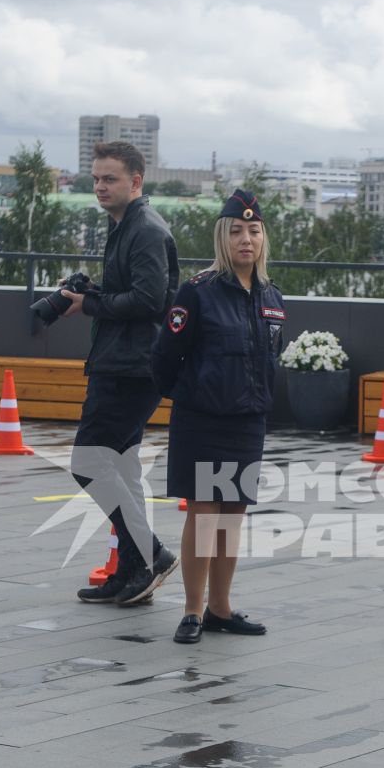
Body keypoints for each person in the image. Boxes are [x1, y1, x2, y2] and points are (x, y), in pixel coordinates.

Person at [152, 189, 282, 646]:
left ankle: (221, 609)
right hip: (203, 419)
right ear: (221, 239)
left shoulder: (270, 295)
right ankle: (192, 610)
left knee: (232, 517)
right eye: (235, 231)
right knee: (205, 516)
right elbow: (166, 356)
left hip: (248, 421)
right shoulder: (200, 291)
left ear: (263, 237)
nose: (245, 239)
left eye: (253, 230)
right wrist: (193, 395)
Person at [69, 140, 180, 607]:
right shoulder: (124, 226)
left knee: (87, 463)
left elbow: (151, 301)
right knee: (121, 467)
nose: (100, 186)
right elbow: (133, 291)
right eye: (96, 178)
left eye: (109, 178)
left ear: (136, 181)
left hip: (132, 369)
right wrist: (91, 292)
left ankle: (149, 556)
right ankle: (132, 568)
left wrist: (89, 303)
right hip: (122, 362)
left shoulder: (146, 229)